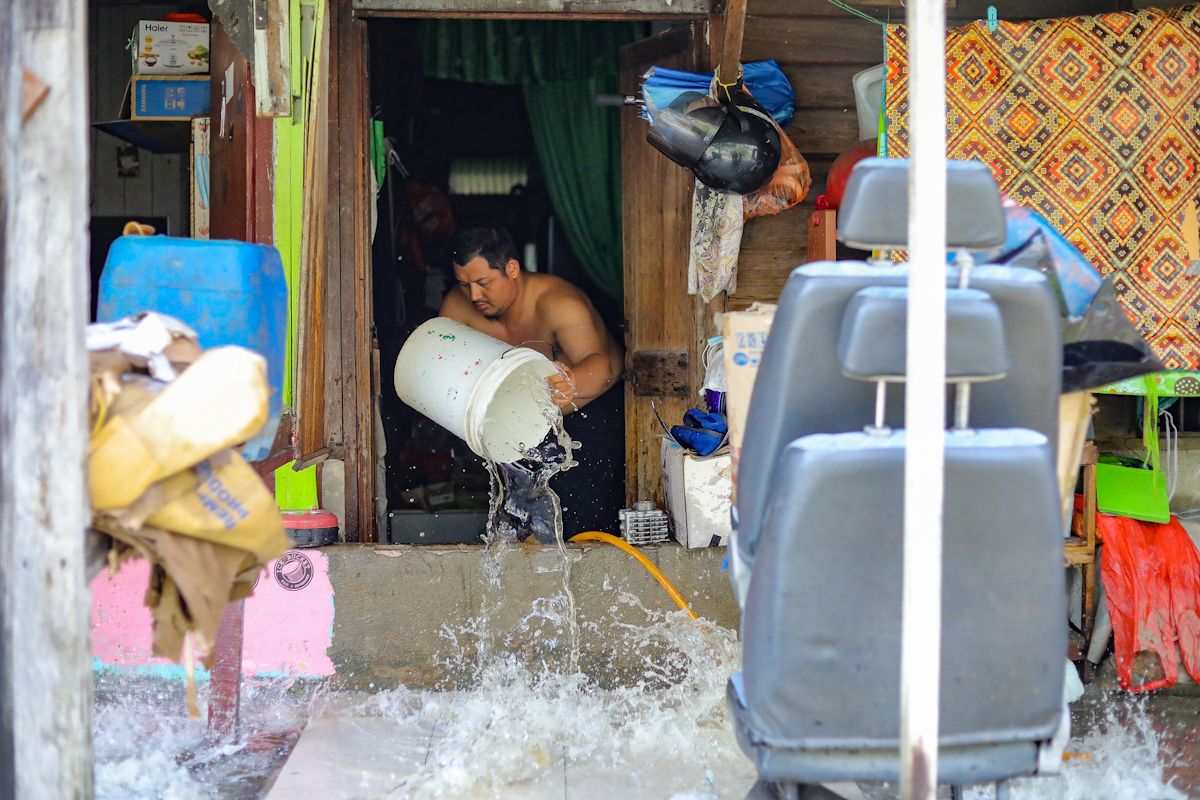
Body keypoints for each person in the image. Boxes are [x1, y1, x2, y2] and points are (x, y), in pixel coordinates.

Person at [439, 223, 626, 542]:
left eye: (483, 283)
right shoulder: (459, 308)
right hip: (515, 422)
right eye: (464, 285)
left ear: (511, 268)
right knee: (517, 525)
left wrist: (572, 382)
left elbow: (601, 365)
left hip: (587, 416)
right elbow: (443, 368)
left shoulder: (557, 302)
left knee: (582, 524)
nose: (474, 295)